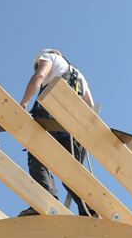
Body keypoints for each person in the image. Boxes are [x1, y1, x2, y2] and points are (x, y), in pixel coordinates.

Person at [18, 49, 97, 217]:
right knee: (70, 171)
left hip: (49, 118)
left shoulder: (48, 58)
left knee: (39, 159)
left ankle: (46, 203)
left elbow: (39, 76)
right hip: (71, 127)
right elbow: (90, 106)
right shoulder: (80, 76)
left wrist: (24, 102)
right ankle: (89, 211)